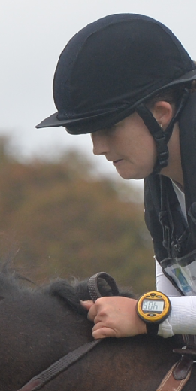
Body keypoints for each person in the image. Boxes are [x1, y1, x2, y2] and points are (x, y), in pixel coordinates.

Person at [37, 14, 196, 340]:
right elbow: (176, 292)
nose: (98, 148)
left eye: (109, 128)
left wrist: (146, 315)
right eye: (92, 133)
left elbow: (167, 311)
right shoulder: (162, 181)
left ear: (160, 114)